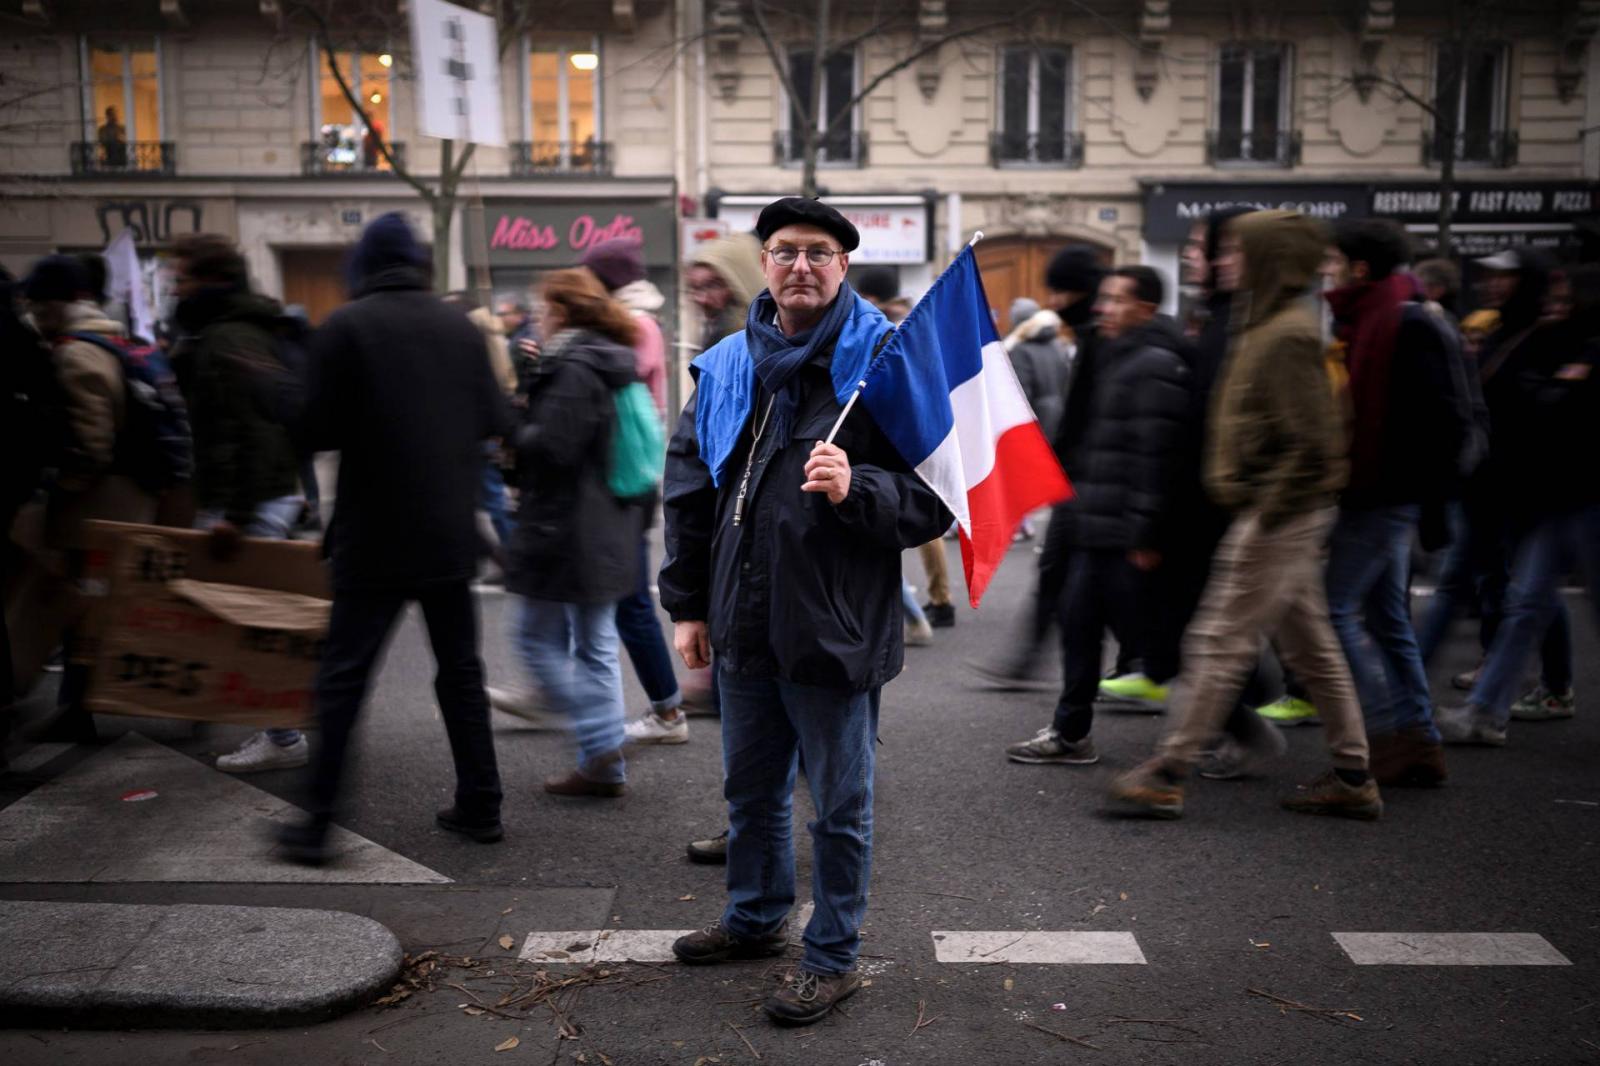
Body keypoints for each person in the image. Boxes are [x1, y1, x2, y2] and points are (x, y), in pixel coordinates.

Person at [660, 196, 950, 1025]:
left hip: (834, 624)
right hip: (740, 617)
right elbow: (689, 494)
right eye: (785, 251)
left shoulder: (882, 366)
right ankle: (753, 920)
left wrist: (860, 488)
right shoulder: (725, 366)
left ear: (842, 266)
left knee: (840, 808)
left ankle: (832, 957)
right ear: (766, 262)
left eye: (819, 253)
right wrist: (687, 605)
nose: (801, 266)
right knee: (749, 792)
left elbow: (934, 499)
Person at [1107, 210, 1380, 821]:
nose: (1225, 259)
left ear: (1270, 258)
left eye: (1237, 249)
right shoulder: (1267, 323)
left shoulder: (1285, 333)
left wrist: (1267, 510)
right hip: (1271, 508)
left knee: (1217, 639)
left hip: (1276, 513)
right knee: (1313, 650)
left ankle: (1168, 769)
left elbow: (1314, 444)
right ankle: (1354, 773)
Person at [276, 214, 506, 865]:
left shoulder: (346, 326)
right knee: (460, 673)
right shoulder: (457, 325)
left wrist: (285, 393)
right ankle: (481, 802)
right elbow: (495, 418)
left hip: (373, 533)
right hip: (447, 532)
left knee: (344, 678)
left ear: (364, 265)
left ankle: (318, 823)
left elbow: (314, 429)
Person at [1004, 266, 1191, 767]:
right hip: (1096, 521)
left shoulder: (1153, 363)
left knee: (1161, 645)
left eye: (1116, 300)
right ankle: (1071, 732)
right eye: (1103, 297)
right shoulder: (1113, 353)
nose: (1102, 308)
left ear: (1145, 310)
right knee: (1079, 622)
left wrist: (1146, 532)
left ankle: (1230, 721)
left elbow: (1156, 457)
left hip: (1128, 533)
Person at [1321, 219, 1475, 787]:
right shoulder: (1372, 316)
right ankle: (1419, 740)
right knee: (1386, 617)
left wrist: (1422, 500)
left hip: (1386, 494)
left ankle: (1385, 736)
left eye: (1334, 260)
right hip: (1376, 492)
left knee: (1331, 609)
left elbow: (1441, 422)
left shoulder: (1405, 321)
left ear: (1360, 267)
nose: (1327, 270)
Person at [1438, 263, 1600, 744]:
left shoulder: (1583, 348)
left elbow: (1562, 410)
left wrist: (1545, 390)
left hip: (1585, 496)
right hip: (1556, 496)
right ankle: (1486, 712)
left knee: (1529, 601)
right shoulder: (1555, 345)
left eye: (1567, 298)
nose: (1557, 305)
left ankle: (1501, 706)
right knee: (1526, 601)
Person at [504, 269, 648, 794]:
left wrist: (511, 419)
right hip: (608, 519)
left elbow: (552, 448)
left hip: (566, 525)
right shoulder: (606, 360)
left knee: (535, 639)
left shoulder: (574, 367)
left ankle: (601, 735)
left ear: (561, 312)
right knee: (595, 645)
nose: (538, 318)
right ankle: (602, 765)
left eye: (543, 309)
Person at [167, 233, 307, 772]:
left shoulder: (226, 338)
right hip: (259, 493)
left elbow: (242, 431)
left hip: (249, 499)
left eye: (181, 278)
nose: (174, 288)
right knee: (252, 620)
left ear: (209, 280)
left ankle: (286, 736)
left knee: (255, 624)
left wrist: (232, 515)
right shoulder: (237, 330)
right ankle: (280, 729)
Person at [12, 256, 167, 742]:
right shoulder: (115, 339)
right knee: (93, 609)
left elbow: (91, 444)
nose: (33, 313)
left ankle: (78, 709)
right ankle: (78, 706)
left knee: (86, 610)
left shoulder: (76, 354)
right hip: (122, 501)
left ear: (58, 304)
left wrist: (59, 490)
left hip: (97, 509)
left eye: (38, 304)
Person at [968, 245, 1107, 689]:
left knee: (1099, 593)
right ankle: (1032, 666)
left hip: (1096, 480)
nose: (1057, 300)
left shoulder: (1101, 339)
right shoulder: (1077, 339)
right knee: (1058, 578)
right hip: (1078, 471)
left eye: (1063, 290)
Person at [576, 237, 688, 746]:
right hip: (627, 472)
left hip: (624, 475)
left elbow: (616, 382)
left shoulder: (633, 324)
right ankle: (663, 708)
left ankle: (667, 711)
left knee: (628, 601)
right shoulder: (631, 319)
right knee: (618, 599)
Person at [856, 265, 957, 629]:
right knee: (920, 519)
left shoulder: (892, 331)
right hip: (915, 430)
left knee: (917, 519)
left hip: (905, 433)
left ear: (871, 296)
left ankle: (934, 602)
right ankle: (937, 599)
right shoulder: (908, 323)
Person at [687, 233, 765, 350]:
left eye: (713, 285)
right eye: (695, 287)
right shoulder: (717, 338)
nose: (701, 298)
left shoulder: (771, 345)